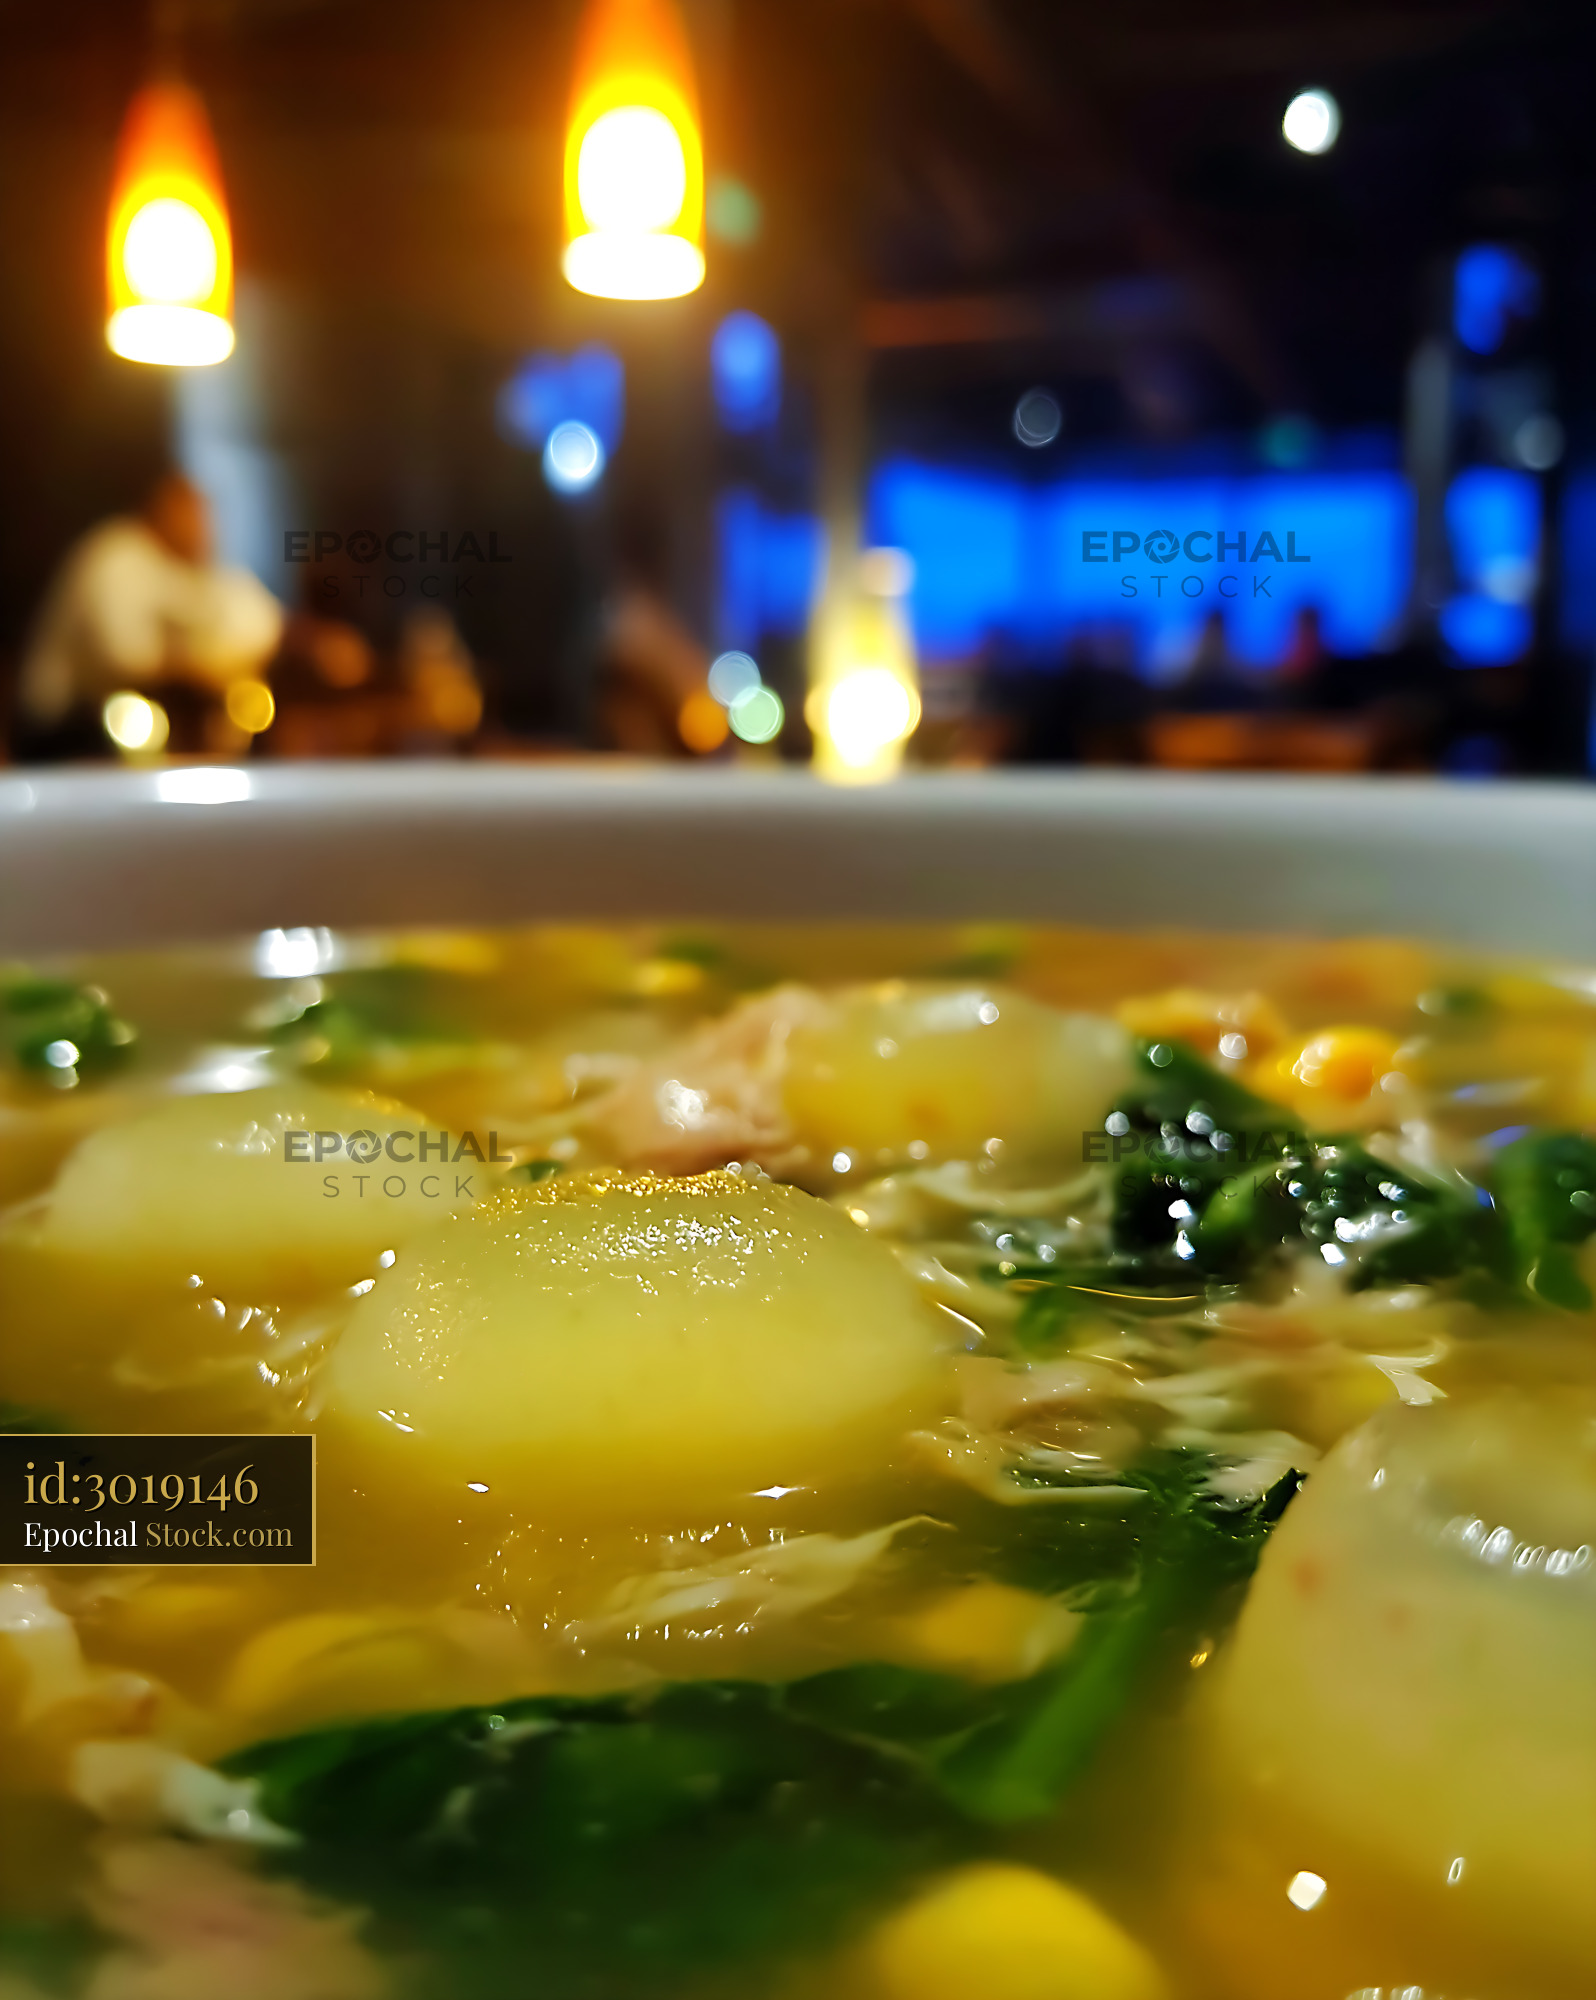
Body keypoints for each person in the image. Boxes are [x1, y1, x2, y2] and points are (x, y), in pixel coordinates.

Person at [12, 473, 283, 760]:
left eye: (205, 514)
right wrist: (206, 664)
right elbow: (126, 656)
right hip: (64, 731)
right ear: (159, 509)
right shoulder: (115, 554)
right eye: (189, 511)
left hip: (136, 733)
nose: (202, 525)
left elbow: (264, 626)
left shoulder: (202, 572)